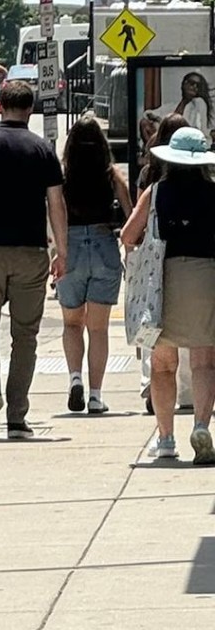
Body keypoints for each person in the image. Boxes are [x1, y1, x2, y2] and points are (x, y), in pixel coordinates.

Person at [0, 78, 67, 439]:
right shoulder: (42, 150)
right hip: (31, 252)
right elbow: (56, 203)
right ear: (30, 109)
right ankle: (17, 416)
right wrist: (61, 251)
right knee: (25, 335)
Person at [120, 125, 215, 464]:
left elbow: (129, 235)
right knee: (204, 362)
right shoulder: (212, 192)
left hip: (163, 281)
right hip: (205, 278)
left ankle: (166, 439)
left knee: (162, 365)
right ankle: (202, 425)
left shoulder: (157, 192)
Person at [57, 116, 132, 415]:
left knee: (71, 323)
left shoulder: (63, 178)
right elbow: (129, 215)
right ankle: (96, 395)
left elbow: (53, 216)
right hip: (104, 246)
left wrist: (57, 251)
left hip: (71, 248)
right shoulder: (112, 176)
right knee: (98, 329)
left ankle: (75, 378)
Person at [136, 114, 193, 416]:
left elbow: (137, 221)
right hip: (195, 261)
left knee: (152, 326)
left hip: (154, 259)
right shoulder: (202, 178)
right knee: (191, 333)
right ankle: (187, 392)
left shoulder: (149, 175)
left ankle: (150, 384)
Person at [140, 71, 213, 148]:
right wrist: (158, 119)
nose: (195, 87)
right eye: (192, 83)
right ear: (184, 84)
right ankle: (151, 152)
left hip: (185, 141)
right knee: (144, 123)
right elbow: (148, 113)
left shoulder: (199, 103)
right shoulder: (172, 106)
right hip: (165, 141)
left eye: (198, 85)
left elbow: (198, 129)